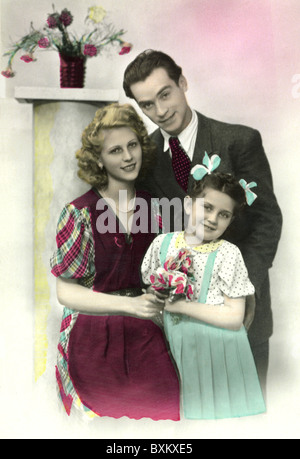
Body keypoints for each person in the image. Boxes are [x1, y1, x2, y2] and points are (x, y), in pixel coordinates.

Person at [123, 49, 283, 394]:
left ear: (183, 82)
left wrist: (242, 290)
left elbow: (267, 220)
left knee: (247, 419)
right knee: (188, 417)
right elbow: (150, 232)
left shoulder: (238, 141)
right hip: (179, 320)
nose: (161, 111)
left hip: (241, 314)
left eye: (165, 94)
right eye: (147, 105)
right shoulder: (145, 158)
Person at [50, 103, 180, 421]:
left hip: (149, 334)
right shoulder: (79, 213)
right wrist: (129, 306)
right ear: (99, 159)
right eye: (115, 150)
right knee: (107, 424)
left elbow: (172, 272)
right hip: (93, 337)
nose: (127, 157)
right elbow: (66, 293)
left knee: (163, 414)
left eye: (132, 145)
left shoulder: (160, 209)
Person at [141, 160, 266, 419]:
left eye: (224, 214)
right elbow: (150, 293)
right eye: (207, 207)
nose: (212, 219)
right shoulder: (162, 243)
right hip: (174, 347)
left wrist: (181, 306)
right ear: (188, 204)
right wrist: (158, 297)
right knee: (177, 420)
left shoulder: (228, 253)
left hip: (219, 351)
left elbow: (233, 319)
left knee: (214, 423)